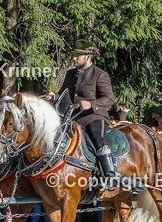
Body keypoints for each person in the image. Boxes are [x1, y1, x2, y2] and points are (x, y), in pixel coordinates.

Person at [49, 41, 118, 189]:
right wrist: (55, 96)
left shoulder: (99, 74)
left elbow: (110, 99)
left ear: (87, 56)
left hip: (94, 117)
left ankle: (110, 174)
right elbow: (64, 94)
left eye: (77, 55)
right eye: (73, 55)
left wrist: (91, 104)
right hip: (72, 118)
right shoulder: (70, 74)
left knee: (96, 136)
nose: (73, 58)